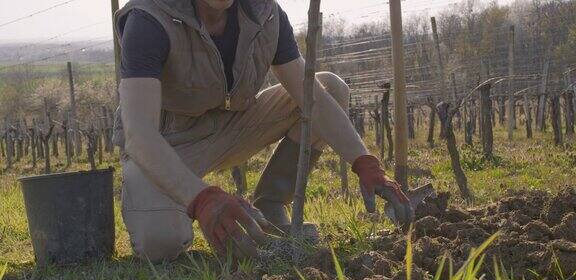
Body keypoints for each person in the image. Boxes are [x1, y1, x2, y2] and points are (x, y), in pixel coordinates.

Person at [113, 0, 413, 262]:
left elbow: (313, 99)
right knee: (161, 244)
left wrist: (365, 162)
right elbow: (139, 134)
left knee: (330, 88)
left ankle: (270, 205)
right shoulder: (149, 18)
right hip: (167, 146)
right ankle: (180, 209)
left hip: (234, 126)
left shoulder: (265, 13)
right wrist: (202, 200)